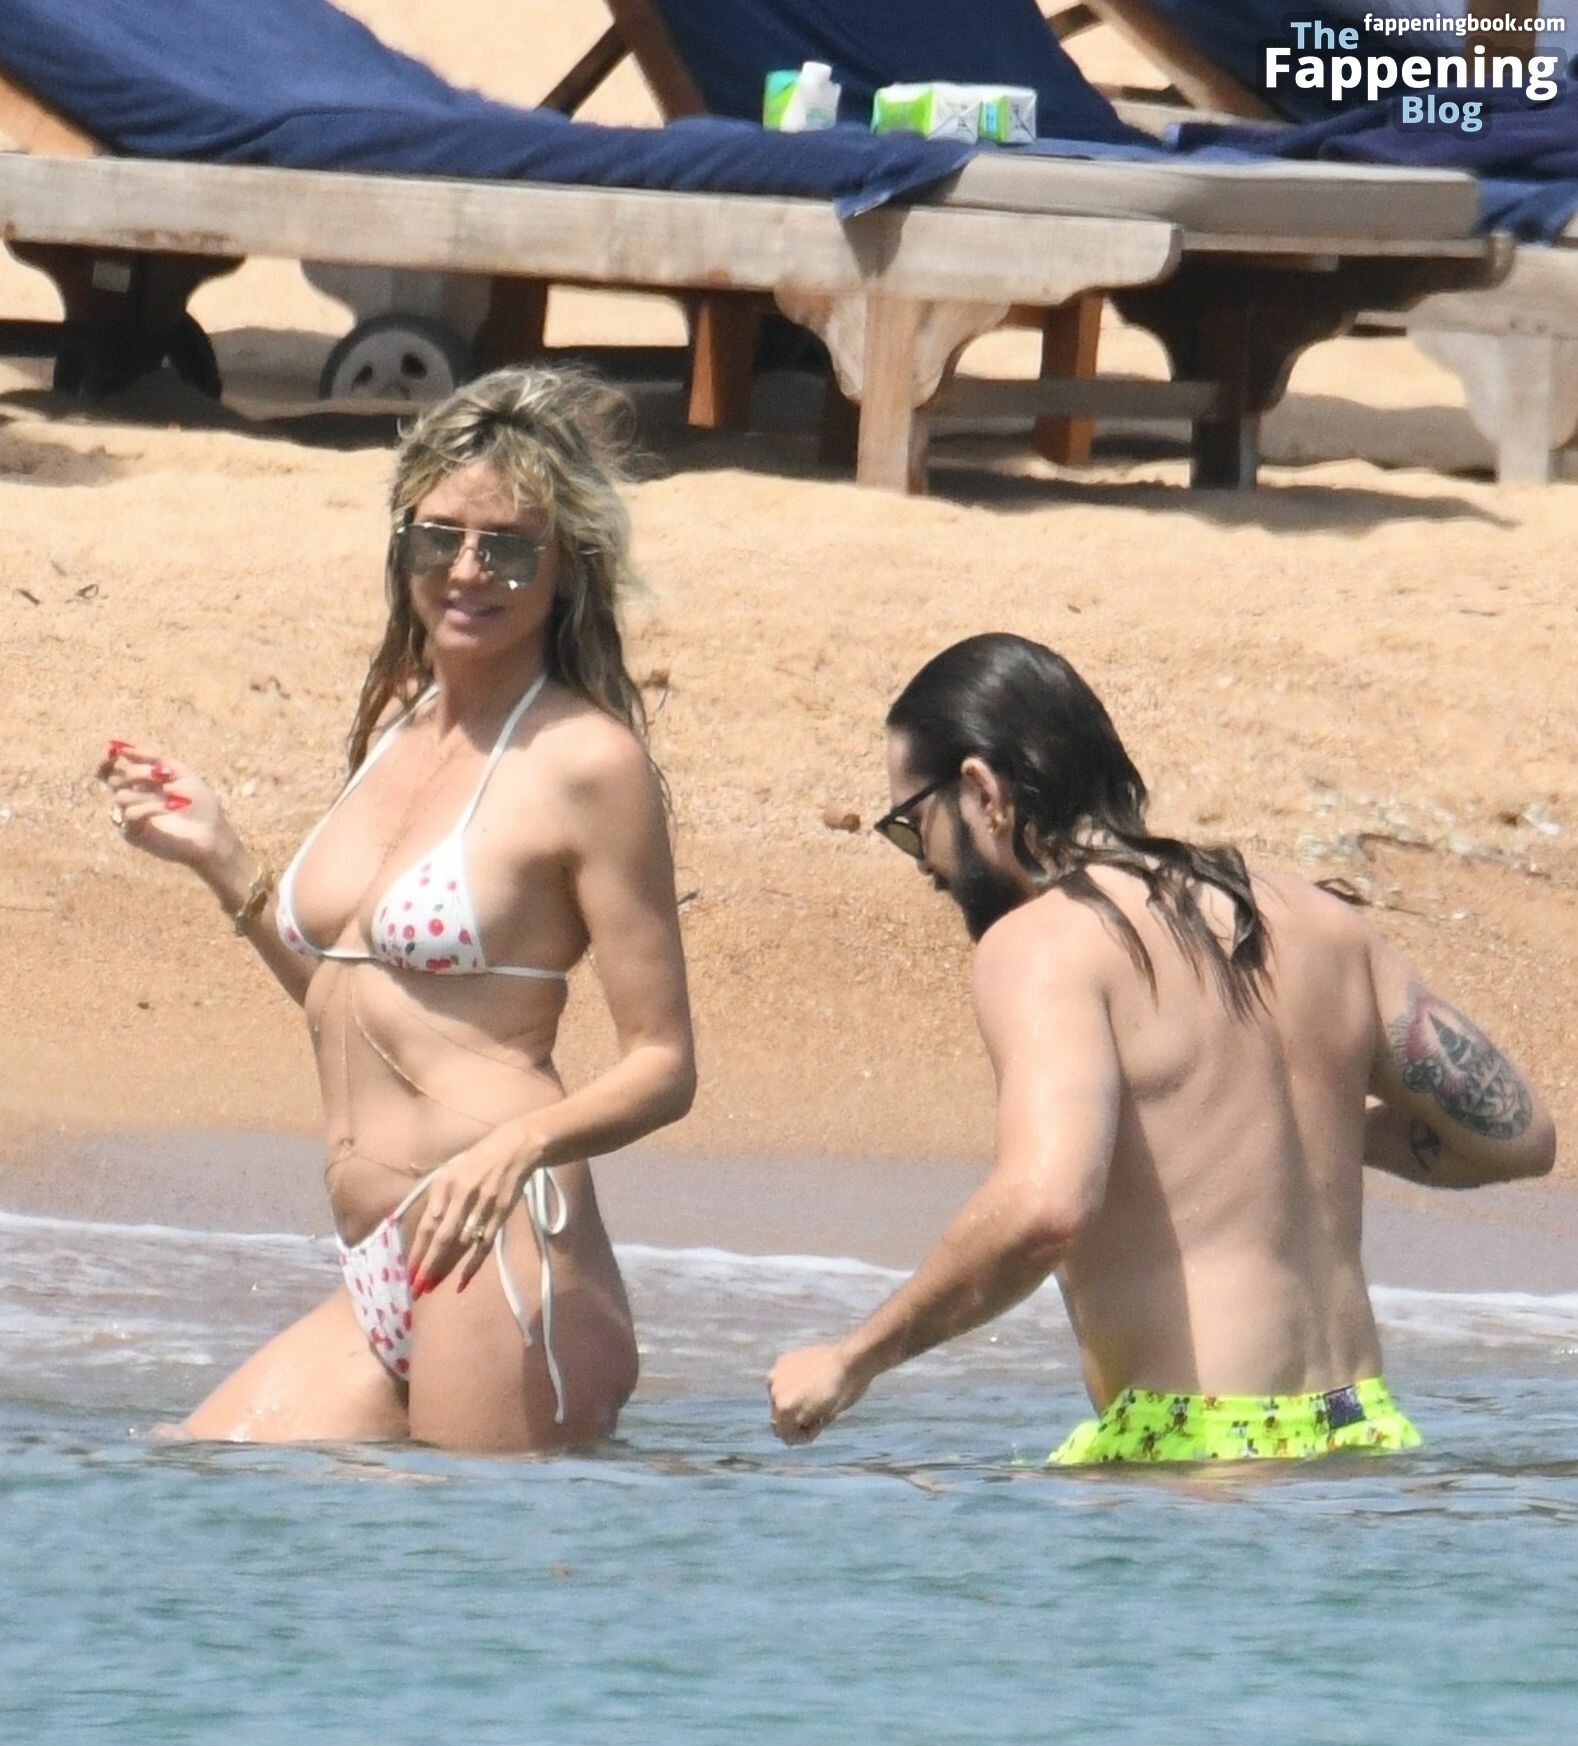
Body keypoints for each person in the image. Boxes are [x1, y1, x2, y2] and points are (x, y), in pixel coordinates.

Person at [768, 633, 1556, 1464]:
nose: (922, 862)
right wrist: (1306, 1133)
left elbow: (1044, 1206)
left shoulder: (1044, 944)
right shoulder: (1324, 924)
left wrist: (851, 1361)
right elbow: (1517, 1136)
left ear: (982, 790)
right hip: (1364, 1431)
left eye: (910, 824)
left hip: (1195, 1450)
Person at [100, 366, 695, 1452]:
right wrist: (225, 861)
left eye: (508, 548)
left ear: (565, 566)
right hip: (382, 1259)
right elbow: (353, 998)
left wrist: (518, 1147)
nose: (467, 570)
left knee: (462, 1554)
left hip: (500, 1246)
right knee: (188, 1469)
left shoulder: (587, 762)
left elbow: (664, 1064)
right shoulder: (397, 727)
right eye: (439, 539)